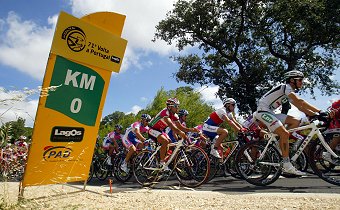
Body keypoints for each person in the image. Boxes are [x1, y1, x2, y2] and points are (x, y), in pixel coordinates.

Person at [253, 70, 324, 175]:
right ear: (292, 80)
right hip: (262, 112)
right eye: (300, 80)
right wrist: (319, 111)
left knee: (295, 121)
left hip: (269, 112)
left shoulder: (288, 92)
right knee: (284, 133)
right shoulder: (285, 87)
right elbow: (301, 102)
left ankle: (284, 143)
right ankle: (286, 163)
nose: (302, 82)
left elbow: (300, 107)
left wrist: (314, 115)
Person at [148, 98, 199, 170]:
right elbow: (172, 127)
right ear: (170, 106)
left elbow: (181, 127)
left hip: (160, 130)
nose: (178, 108)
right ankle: (161, 163)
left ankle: (161, 158)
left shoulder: (175, 115)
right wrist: (180, 133)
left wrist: (192, 130)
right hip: (152, 129)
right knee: (165, 141)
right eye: (176, 106)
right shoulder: (165, 112)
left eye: (178, 106)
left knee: (170, 142)